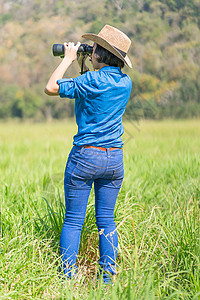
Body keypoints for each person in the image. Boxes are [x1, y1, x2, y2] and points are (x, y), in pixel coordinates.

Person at [44, 24, 132, 283]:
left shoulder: (91, 81)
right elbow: (93, 89)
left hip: (85, 156)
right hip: (114, 159)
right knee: (106, 219)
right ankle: (107, 280)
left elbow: (52, 87)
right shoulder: (125, 82)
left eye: (93, 48)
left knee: (73, 221)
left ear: (100, 54)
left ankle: (67, 279)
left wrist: (69, 59)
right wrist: (85, 62)